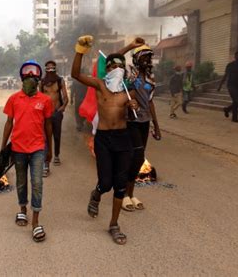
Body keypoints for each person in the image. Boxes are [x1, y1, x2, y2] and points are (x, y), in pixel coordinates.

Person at [72, 35, 139, 245]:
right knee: (106, 182)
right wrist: (80, 50)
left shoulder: (128, 89)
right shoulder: (100, 85)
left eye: (121, 66)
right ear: (107, 69)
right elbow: (75, 74)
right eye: (113, 66)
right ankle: (97, 193)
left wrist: (133, 106)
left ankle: (114, 224)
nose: (117, 69)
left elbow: (134, 106)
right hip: (103, 139)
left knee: (120, 185)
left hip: (123, 138)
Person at [1, 60, 53, 243]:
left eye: (34, 74)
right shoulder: (14, 99)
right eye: (27, 73)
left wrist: (50, 149)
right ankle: (22, 210)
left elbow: (48, 125)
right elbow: (9, 123)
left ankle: (36, 221)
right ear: (22, 77)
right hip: (18, 148)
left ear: (39, 78)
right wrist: (2, 147)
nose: (30, 76)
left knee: (37, 183)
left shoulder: (45, 100)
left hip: (38, 148)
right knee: (22, 182)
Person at [121, 44, 161, 212]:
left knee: (139, 158)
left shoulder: (151, 78)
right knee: (134, 156)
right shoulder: (130, 72)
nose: (147, 60)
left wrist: (157, 126)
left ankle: (131, 194)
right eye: (143, 57)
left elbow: (150, 102)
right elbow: (114, 58)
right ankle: (122, 195)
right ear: (136, 59)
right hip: (131, 121)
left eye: (148, 57)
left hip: (144, 122)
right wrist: (130, 46)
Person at [39, 60, 69, 175]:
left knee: (57, 135)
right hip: (45, 114)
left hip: (56, 112)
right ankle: (46, 164)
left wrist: (62, 108)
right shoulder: (42, 82)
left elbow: (65, 97)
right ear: (45, 69)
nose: (50, 69)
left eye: (52, 68)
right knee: (46, 137)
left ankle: (56, 155)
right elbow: (39, 97)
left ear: (55, 69)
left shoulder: (60, 81)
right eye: (48, 68)